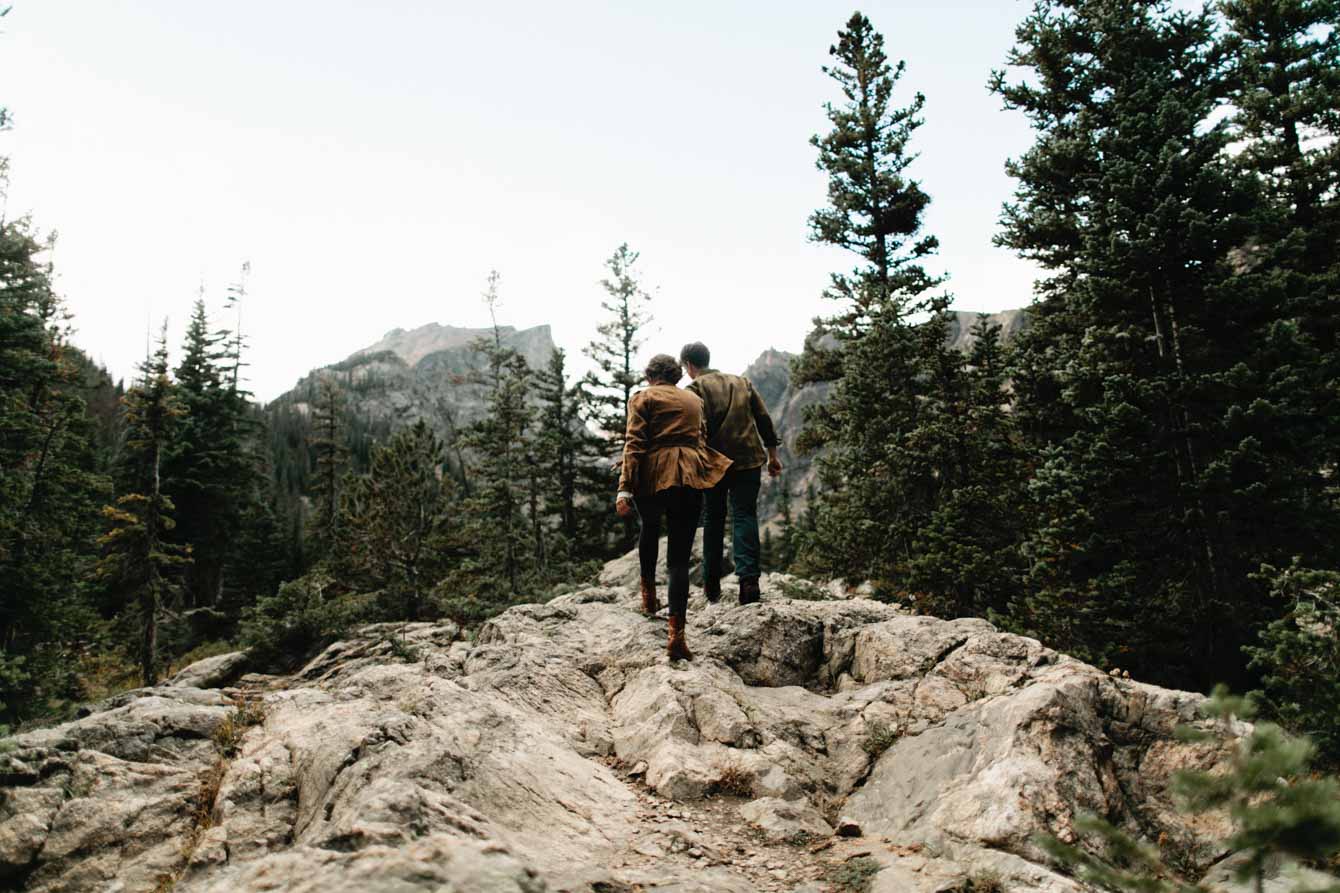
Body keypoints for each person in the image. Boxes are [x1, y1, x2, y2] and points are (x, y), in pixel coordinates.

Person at [616, 354, 732, 661]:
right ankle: (676, 636)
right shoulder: (693, 400)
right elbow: (702, 439)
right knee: (679, 559)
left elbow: (634, 443)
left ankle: (648, 598)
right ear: (677, 376)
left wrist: (624, 487)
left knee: (650, 527)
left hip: (653, 474)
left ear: (650, 375)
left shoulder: (643, 397)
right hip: (690, 475)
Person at [681, 342, 782, 605]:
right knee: (745, 515)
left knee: (714, 520)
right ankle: (749, 582)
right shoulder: (742, 382)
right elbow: (763, 419)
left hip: (713, 464)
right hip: (748, 460)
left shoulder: (694, 389)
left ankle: (711, 586)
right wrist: (773, 456)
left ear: (689, 366)